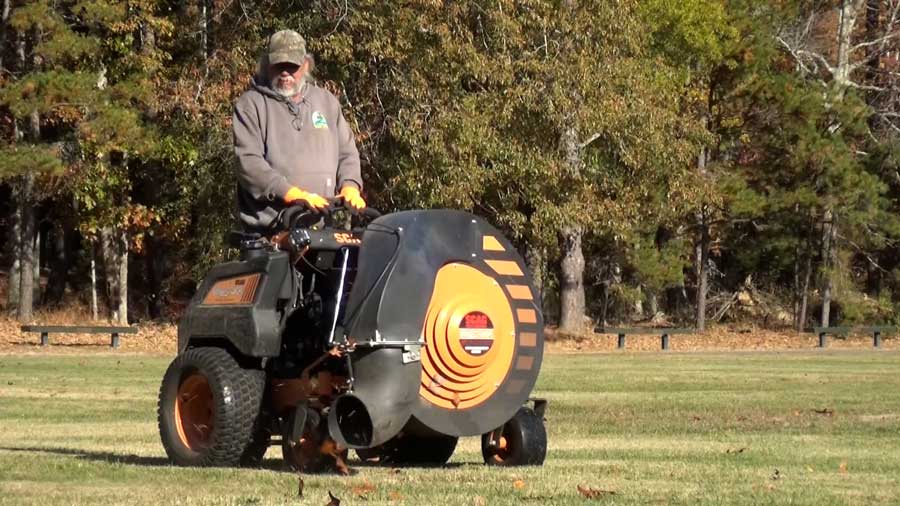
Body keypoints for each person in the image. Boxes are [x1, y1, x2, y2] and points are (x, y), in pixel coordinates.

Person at [232, 29, 366, 233]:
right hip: (274, 233)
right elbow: (249, 163)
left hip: (324, 228)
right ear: (267, 65)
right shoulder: (251, 104)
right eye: (279, 65)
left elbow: (347, 153)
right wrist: (292, 194)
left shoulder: (326, 101)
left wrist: (350, 185)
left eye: (292, 66)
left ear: (306, 65)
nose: (285, 72)